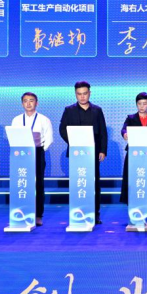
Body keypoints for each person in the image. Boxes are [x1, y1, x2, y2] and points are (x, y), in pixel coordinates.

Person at [59, 81, 108, 224]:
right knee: (78, 182)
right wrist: (74, 142)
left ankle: (95, 213)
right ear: (75, 94)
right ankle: (77, 211)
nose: (82, 97)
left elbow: (103, 132)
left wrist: (103, 150)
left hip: (93, 152)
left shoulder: (97, 110)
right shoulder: (69, 110)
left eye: (85, 93)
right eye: (79, 94)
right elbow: (62, 129)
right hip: (76, 152)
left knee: (94, 182)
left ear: (89, 93)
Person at [10, 92, 54, 226]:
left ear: (37, 103)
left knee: (38, 184)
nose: (28, 104)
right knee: (22, 182)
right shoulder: (17, 120)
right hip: (21, 154)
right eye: (25, 101)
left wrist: (40, 150)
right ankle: (23, 212)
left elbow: (49, 138)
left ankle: (38, 215)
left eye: (31, 100)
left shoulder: (44, 119)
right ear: (22, 103)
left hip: (37, 152)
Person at [120, 92, 147, 206]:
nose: (142, 106)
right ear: (136, 104)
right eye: (139, 103)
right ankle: (132, 200)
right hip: (134, 152)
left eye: (144, 103)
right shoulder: (131, 118)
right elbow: (124, 129)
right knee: (132, 176)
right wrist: (125, 134)